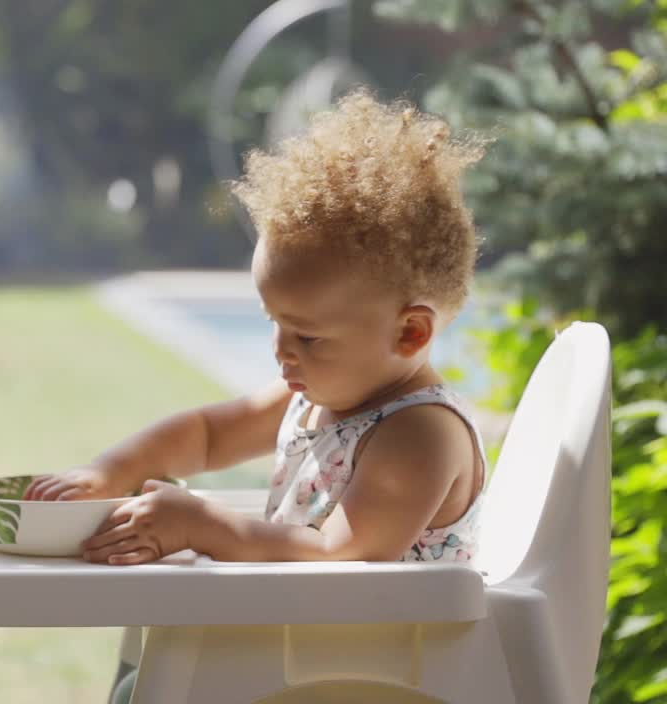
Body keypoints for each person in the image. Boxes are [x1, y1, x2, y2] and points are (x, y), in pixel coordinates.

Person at [25, 89, 491, 569]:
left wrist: (200, 525)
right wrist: (109, 473)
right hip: (308, 639)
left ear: (410, 333)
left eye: (308, 336)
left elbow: (342, 555)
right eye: (275, 322)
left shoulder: (419, 433)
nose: (282, 350)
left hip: (387, 645)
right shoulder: (316, 397)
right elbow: (207, 435)